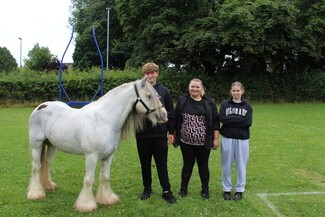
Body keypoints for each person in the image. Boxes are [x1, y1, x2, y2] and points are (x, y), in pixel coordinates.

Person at [135, 62, 176, 204]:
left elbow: (170, 112)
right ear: (144, 75)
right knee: (145, 163)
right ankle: (147, 189)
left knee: (161, 163)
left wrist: (171, 131)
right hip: (142, 134)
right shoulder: (139, 91)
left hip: (160, 133)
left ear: (157, 73)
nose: (150, 75)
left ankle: (166, 191)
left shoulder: (164, 91)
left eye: (152, 73)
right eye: (147, 73)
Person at [174, 78, 220, 199]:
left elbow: (215, 122)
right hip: (186, 142)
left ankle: (205, 190)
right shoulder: (182, 100)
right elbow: (175, 119)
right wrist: (173, 135)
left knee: (203, 165)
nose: (194, 89)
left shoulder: (210, 102)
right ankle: (183, 189)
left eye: (197, 87)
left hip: (204, 142)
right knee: (187, 165)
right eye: (192, 87)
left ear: (201, 89)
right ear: (189, 87)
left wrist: (216, 139)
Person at [219, 81, 253, 201]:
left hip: (242, 139)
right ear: (230, 91)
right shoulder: (224, 104)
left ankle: (239, 190)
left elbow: (247, 122)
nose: (236, 93)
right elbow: (222, 118)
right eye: (233, 90)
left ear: (242, 91)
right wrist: (239, 120)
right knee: (226, 164)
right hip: (227, 137)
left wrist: (230, 120)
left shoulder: (248, 107)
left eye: (238, 90)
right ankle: (226, 189)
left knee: (241, 165)